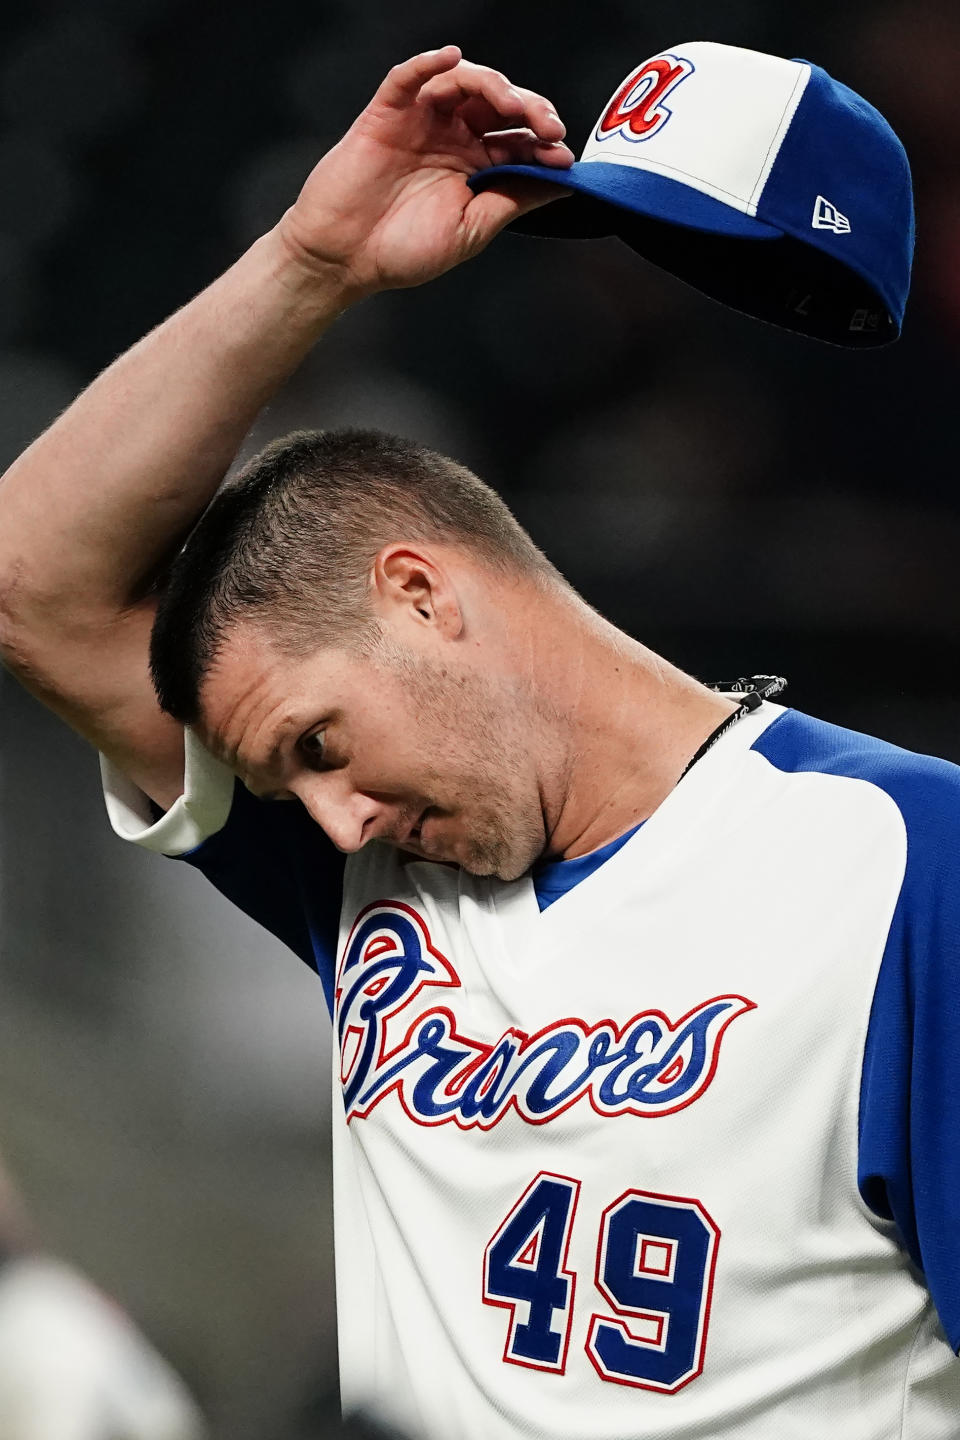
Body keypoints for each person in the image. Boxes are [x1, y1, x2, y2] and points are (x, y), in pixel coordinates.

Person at [0, 42, 957, 1440]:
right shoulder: (368, 879)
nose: (328, 822)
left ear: (419, 593)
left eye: (318, 742)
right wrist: (311, 259)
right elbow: (36, 588)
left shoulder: (904, 860)